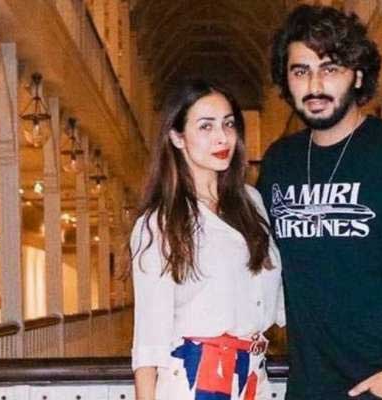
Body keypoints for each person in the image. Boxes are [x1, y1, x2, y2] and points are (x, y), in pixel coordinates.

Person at [257, 5, 382, 400]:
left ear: (358, 75)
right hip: (309, 389)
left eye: (330, 68)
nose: (315, 84)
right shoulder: (280, 162)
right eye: (300, 71)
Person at [130, 79, 284, 400]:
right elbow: (149, 336)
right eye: (206, 126)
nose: (222, 137)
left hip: (253, 375)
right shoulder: (160, 223)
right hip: (194, 379)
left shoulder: (252, 202)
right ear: (177, 137)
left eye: (228, 124)